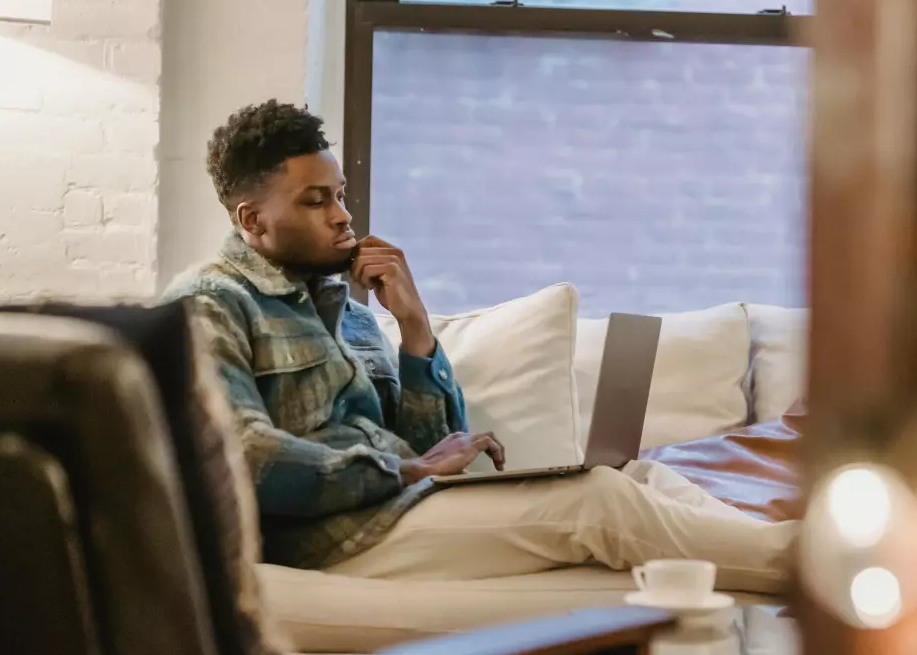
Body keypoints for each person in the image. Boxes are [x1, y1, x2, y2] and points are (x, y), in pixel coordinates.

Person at [166, 100, 795, 593]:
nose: (342, 216)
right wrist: (405, 471)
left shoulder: (350, 312)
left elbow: (435, 448)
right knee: (598, 502)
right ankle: (821, 575)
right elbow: (238, 454)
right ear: (252, 220)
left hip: (403, 509)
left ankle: (796, 553)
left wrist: (414, 330)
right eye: (316, 200)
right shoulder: (209, 302)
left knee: (639, 473)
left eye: (341, 195)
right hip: (331, 539)